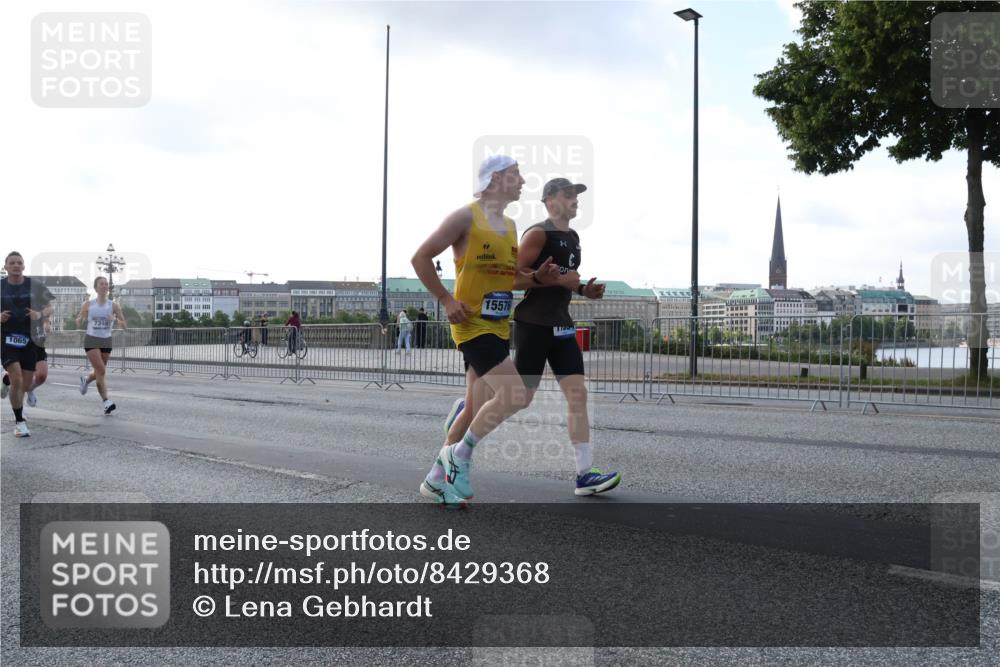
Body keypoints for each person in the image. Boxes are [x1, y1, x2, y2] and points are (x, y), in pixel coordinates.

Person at [410, 155, 561, 508]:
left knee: (474, 406)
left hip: (496, 326)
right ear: (495, 179)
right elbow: (420, 257)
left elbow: (507, 277)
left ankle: (435, 480)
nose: (523, 181)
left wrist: (537, 279)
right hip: (471, 324)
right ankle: (459, 456)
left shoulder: (508, 226)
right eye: (516, 174)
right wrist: (446, 299)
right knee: (517, 394)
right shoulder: (465, 217)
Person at [512, 177, 620, 495]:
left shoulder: (572, 237)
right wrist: (550, 279)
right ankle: (471, 408)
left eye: (577, 195)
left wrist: (586, 289)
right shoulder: (536, 233)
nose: (575, 199)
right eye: (568, 193)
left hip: (562, 325)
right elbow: (512, 277)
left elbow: (566, 280)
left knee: (578, 394)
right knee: (520, 398)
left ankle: (584, 475)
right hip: (533, 325)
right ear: (549, 200)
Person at [1, 251, 54, 437]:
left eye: (19, 262)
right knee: (16, 378)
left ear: (23, 266)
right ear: (5, 266)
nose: (16, 265)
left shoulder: (36, 285)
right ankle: (19, 421)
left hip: (31, 340)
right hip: (7, 339)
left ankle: (6, 384)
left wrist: (40, 315)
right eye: (12, 262)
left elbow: (50, 307)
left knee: (25, 382)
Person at [77, 276, 126, 414]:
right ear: (96, 288)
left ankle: (86, 380)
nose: (105, 286)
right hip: (91, 339)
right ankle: (106, 401)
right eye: (101, 284)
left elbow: (125, 325)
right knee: (101, 371)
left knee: (100, 370)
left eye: (106, 284)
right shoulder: (88, 304)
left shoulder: (114, 306)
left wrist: (115, 321)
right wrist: (80, 319)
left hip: (106, 340)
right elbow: (78, 321)